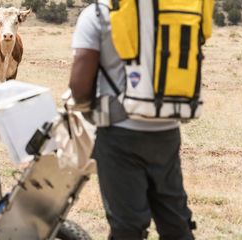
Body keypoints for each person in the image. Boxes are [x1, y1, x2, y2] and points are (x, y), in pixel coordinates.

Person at [68, 2, 201, 239]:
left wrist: (88, 110)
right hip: (167, 130)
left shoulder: (99, 13)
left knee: (127, 225)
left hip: (119, 134)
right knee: (175, 221)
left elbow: (79, 85)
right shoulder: (175, 10)